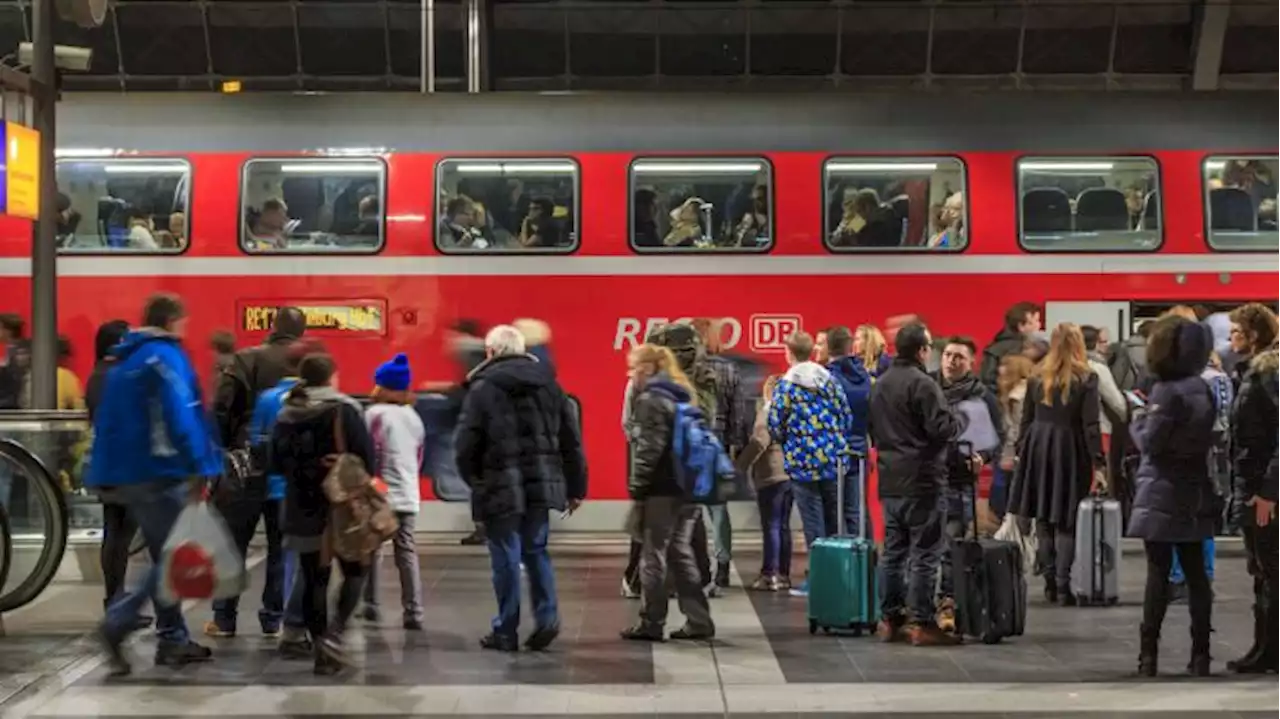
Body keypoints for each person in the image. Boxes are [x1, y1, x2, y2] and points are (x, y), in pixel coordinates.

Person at [87, 293, 221, 675]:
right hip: (158, 471)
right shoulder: (164, 356)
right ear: (172, 321)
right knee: (170, 559)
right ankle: (117, 624)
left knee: (167, 552)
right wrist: (201, 465)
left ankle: (172, 639)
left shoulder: (123, 358)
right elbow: (181, 415)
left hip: (125, 471)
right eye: (185, 322)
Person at [455, 325, 586, 652]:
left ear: (491, 352)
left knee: (505, 557)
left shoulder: (483, 388)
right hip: (541, 481)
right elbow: (572, 440)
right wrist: (576, 487)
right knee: (537, 551)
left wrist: (476, 481)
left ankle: (506, 630)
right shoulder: (550, 385)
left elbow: (464, 444)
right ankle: (547, 618)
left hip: (500, 484)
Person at [204, 340, 315, 641]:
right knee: (281, 553)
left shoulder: (266, 398)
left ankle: (224, 618)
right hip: (289, 490)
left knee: (235, 547)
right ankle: (273, 618)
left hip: (256, 483)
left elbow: (255, 440)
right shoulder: (311, 400)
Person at [269, 352, 372, 674]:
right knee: (356, 570)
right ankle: (336, 633)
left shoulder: (286, 414)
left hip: (302, 507)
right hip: (342, 509)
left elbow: (273, 464)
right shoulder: (345, 410)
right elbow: (368, 459)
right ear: (331, 376)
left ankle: (320, 651)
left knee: (314, 579)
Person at [1127, 314, 1218, 677]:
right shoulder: (1202, 387)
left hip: (1163, 490)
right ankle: (1201, 655)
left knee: (1157, 574)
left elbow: (1151, 443)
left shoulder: (1167, 391)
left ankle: (1148, 655)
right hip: (1196, 487)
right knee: (1198, 577)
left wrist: (1137, 417)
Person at [869, 321, 960, 646]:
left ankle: (890, 620)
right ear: (922, 350)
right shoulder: (923, 384)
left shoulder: (880, 384)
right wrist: (958, 420)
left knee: (893, 553)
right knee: (925, 554)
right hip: (923, 480)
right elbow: (942, 429)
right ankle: (922, 622)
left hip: (890, 480)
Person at [620, 344, 715, 641]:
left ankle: (651, 621)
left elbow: (649, 449)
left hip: (662, 488)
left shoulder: (652, 400)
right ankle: (699, 620)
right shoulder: (684, 392)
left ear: (647, 369)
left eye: (634, 368)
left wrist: (638, 488)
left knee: (653, 556)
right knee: (680, 552)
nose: (631, 374)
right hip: (690, 487)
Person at [1007, 323, 1104, 607]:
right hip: (1070, 448)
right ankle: (1063, 586)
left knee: (1043, 518)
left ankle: (1049, 581)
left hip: (1038, 445)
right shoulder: (1086, 377)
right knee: (1066, 520)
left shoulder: (1037, 376)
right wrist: (1098, 462)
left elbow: (1025, 419)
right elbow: (1091, 425)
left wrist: (1021, 451)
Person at [768, 331, 853, 598]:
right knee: (835, 522)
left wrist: (791, 442)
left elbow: (775, 425)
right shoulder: (829, 380)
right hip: (833, 460)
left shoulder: (786, 385)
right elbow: (845, 416)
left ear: (788, 352)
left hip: (802, 464)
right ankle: (842, 578)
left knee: (813, 525)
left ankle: (818, 581)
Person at [930, 336, 1003, 632]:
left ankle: (948, 602)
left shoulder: (982, 397)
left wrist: (983, 457)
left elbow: (996, 439)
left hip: (960, 483)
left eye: (958, 357)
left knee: (953, 545)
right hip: (927, 477)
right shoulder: (928, 388)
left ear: (970, 362)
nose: (951, 361)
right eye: (947, 355)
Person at [1226, 302, 1280, 674]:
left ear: (1254, 335)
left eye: (1236, 332)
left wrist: (1269, 490)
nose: (1230, 339)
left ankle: (1270, 650)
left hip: (1264, 490)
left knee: (1271, 570)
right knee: (1261, 571)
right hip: (1254, 485)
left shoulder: (1267, 375)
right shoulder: (1254, 373)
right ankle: (1263, 647)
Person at [85, 319, 147, 627]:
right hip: (125, 467)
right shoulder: (117, 376)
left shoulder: (98, 375)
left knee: (116, 535)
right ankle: (118, 603)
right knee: (121, 537)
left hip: (107, 464)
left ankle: (116, 601)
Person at [361, 353, 427, 631]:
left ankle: (371, 606)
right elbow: (420, 455)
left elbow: (370, 453)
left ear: (385, 387)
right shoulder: (415, 418)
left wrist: (372, 484)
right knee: (406, 553)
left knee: (372, 551)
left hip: (381, 494)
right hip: (408, 494)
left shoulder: (374, 414)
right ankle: (414, 611)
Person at [691, 317, 746, 590]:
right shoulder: (729, 369)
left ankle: (696, 565)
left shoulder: (685, 369)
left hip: (689, 444)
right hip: (718, 443)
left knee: (688, 509)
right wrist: (735, 446)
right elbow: (738, 413)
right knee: (719, 509)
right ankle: (722, 564)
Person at [736, 374, 791, 591]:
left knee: (771, 526)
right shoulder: (791, 412)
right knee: (783, 526)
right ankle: (784, 574)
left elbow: (759, 441)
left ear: (768, 391)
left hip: (771, 476)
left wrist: (740, 465)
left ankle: (770, 574)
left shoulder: (768, 412)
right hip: (790, 475)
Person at [825, 326, 874, 538]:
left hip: (835, 453)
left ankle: (842, 566)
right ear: (850, 345)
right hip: (860, 449)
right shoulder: (864, 375)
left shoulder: (827, 378)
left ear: (828, 347)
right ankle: (865, 563)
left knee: (836, 514)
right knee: (858, 511)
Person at [994, 354, 1035, 522]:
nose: (999, 380)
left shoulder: (1017, 398)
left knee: (1004, 497)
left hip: (1015, 454)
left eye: (1004, 376)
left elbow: (1015, 429)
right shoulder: (1026, 392)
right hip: (1023, 452)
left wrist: (1009, 455)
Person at [979, 302, 1042, 392]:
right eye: (1036, 321)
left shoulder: (993, 349)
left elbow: (986, 382)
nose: (1039, 325)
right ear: (1021, 326)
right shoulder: (1033, 350)